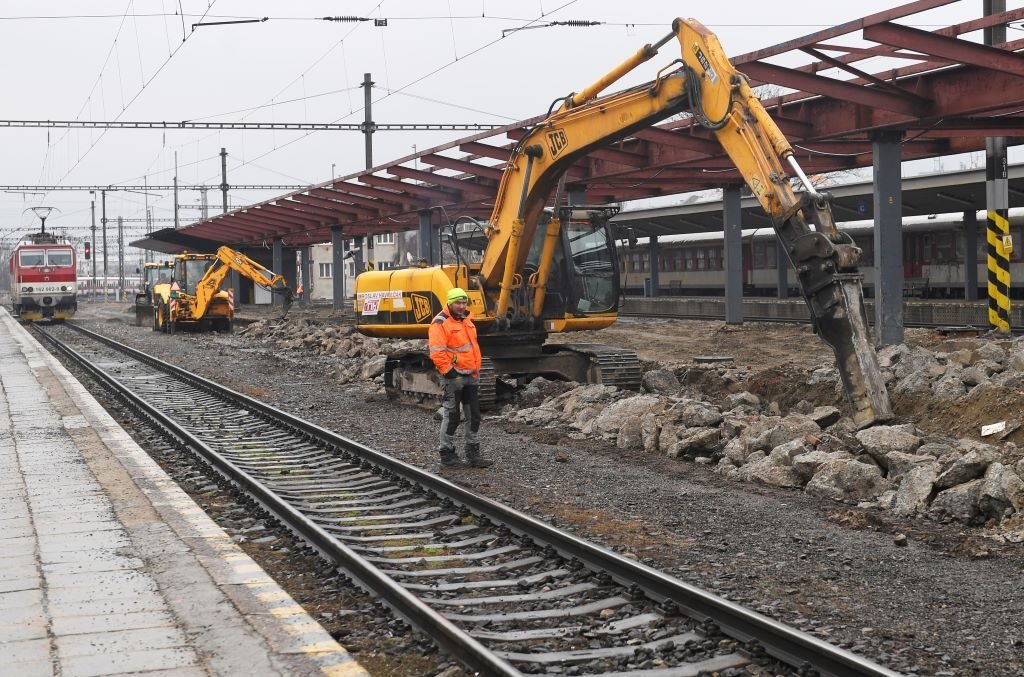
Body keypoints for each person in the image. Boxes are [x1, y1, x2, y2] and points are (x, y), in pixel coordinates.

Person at [428, 287, 492, 467]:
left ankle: (473, 454)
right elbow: (437, 352)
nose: (462, 306)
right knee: (452, 416)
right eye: (458, 303)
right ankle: (446, 453)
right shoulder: (440, 323)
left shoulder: (467, 320)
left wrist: (475, 369)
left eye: (464, 303)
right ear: (449, 303)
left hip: (470, 375)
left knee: (474, 416)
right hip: (453, 377)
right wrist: (450, 372)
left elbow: (472, 348)